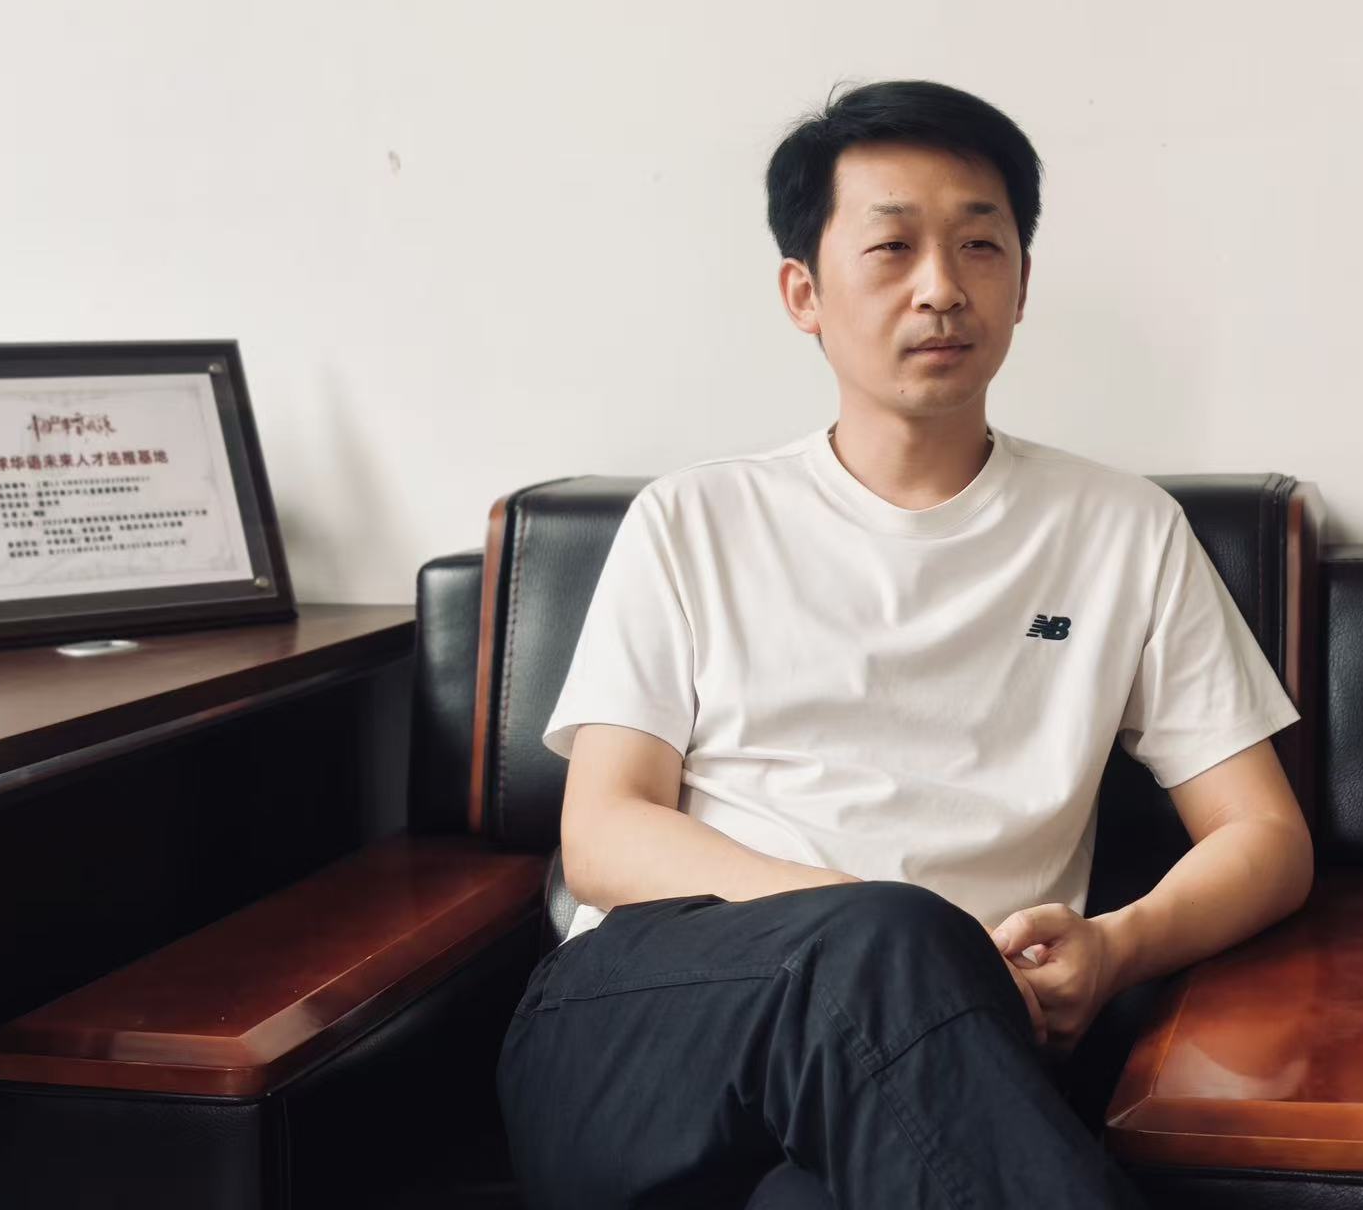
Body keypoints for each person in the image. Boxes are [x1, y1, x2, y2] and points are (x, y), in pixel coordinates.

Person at [496, 79, 1314, 1210]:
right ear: (803, 292)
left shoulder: (1121, 529)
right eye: (891, 247)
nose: (942, 287)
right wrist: (869, 926)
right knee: (885, 940)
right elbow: (603, 831)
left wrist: (1116, 948)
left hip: (947, 1054)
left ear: (1022, 282)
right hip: (644, 1023)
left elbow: (1265, 835)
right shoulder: (695, 518)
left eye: (980, 245)